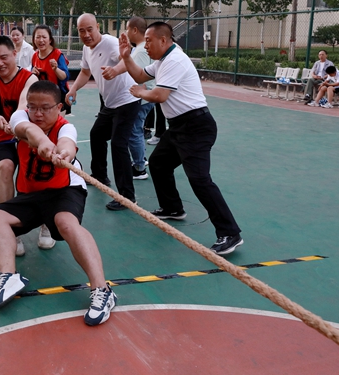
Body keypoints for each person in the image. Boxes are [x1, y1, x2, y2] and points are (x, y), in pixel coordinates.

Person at [0, 80, 117, 326]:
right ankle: (8, 276)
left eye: (45, 108)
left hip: (64, 190)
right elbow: (28, 130)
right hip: (31, 194)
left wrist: (64, 152)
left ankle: (102, 290)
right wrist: (43, 142)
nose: (37, 113)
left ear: (59, 108)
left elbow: (68, 143)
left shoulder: (66, 128)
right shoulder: (20, 117)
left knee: (66, 222)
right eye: (33, 107)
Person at [119, 21, 243, 255]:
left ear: (163, 40)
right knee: (158, 164)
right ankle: (172, 208)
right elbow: (139, 74)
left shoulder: (174, 60)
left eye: (149, 41)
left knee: (199, 179)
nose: (146, 45)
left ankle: (230, 233)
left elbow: (160, 95)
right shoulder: (162, 60)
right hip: (179, 127)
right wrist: (126, 56)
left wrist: (141, 92)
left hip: (196, 126)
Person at [0, 36, 55, 255]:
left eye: (4, 57)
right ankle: (13, 231)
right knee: (4, 167)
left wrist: (15, 123)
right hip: (1, 136)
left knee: (40, 172)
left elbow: (24, 105)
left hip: (26, 134)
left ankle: (46, 223)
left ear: (15, 53)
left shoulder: (29, 78)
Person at [66, 14, 139, 211]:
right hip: (111, 103)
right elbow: (85, 72)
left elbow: (126, 60)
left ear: (97, 27)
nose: (86, 34)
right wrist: (73, 89)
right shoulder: (86, 48)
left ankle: (127, 197)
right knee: (97, 135)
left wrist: (115, 70)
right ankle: (100, 176)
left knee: (118, 144)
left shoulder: (110, 42)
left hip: (128, 100)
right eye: (82, 31)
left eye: (90, 29)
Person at [124, 16, 155, 180]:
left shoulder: (142, 50)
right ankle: (140, 160)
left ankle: (139, 168)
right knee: (136, 130)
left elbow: (141, 75)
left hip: (141, 98)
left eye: (127, 29)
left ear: (135, 30)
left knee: (134, 131)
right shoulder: (140, 48)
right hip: (142, 97)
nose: (126, 32)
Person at [31, 24, 71, 114]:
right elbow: (32, 77)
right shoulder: (34, 56)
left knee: (57, 122)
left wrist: (56, 69)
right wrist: (32, 73)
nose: (41, 40)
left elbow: (65, 77)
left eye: (44, 37)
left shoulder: (57, 55)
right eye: (38, 37)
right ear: (34, 39)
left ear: (50, 40)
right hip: (41, 96)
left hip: (58, 96)